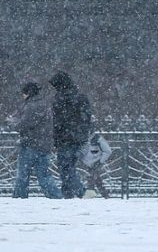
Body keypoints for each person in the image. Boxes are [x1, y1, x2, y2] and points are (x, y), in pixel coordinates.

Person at [10, 82, 63, 199]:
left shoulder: (31, 106)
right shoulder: (45, 104)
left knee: (23, 175)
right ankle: (56, 196)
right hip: (45, 145)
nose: (22, 96)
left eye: (24, 93)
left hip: (30, 144)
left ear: (28, 93)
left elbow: (24, 124)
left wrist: (13, 122)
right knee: (44, 175)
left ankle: (20, 197)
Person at [49, 71, 92, 199]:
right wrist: (83, 133)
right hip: (78, 137)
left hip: (65, 138)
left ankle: (81, 192)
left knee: (65, 167)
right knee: (68, 166)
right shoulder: (80, 96)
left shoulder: (60, 99)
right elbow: (87, 117)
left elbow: (57, 121)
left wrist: (56, 137)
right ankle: (68, 195)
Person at [82, 131, 113, 199]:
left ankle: (90, 192)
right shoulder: (82, 138)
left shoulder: (98, 139)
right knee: (97, 179)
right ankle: (105, 194)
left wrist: (100, 161)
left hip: (96, 162)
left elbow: (108, 151)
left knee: (92, 176)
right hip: (88, 162)